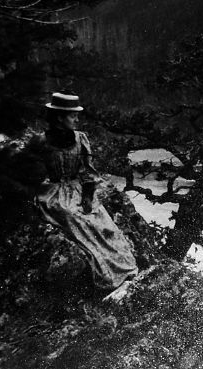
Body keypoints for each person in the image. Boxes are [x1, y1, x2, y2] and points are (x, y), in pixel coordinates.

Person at [31, 92, 138, 295]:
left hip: (77, 189)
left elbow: (88, 172)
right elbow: (30, 169)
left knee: (103, 224)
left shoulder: (80, 139)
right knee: (74, 218)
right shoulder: (41, 141)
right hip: (54, 192)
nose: (77, 119)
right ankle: (107, 276)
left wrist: (88, 196)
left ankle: (125, 270)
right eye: (73, 116)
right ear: (60, 117)